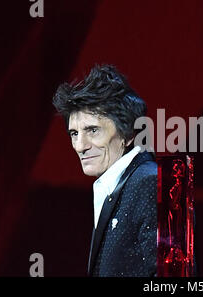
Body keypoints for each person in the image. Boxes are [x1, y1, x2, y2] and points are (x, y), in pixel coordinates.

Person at [52, 65, 157, 277]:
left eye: (92, 130)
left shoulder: (148, 182)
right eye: (74, 133)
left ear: (127, 134)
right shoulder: (119, 185)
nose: (80, 145)